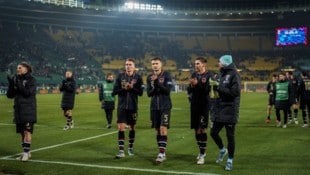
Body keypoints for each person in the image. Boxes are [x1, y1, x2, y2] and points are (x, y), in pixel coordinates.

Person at [210, 55, 241, 171]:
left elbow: (235, 92)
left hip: (230, 110)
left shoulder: (234, 74)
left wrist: (219, 87)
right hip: (220, 109)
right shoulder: (221, 74)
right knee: (213, 133)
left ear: (225, 63)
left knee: (230, 137)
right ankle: (223, 150)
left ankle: (230, 160)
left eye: (220, 62)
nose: (218, 63)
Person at [112, 58, 144, 158]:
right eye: (126, 64)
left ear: (134, 67)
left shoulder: (138, 78)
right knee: (120, 128)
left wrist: (132, 88)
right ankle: (121, 151)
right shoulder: (120, 77)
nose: (128, 66)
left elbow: (141, 93)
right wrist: (124, 89)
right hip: (121, 107)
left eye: (130, 64)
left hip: (133, 107)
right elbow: (114, 92)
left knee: (132, 128)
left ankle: (130, 147)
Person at [6, 62, 37, 161]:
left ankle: (26, 153)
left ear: (26, 69)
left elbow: (27, 93)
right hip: (18, 110)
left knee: (27, 131)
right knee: (22, 133)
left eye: (20, 67)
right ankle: (26, 152)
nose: (17, 69)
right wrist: (11, 83)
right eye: (17, 68)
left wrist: (18, 82)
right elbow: (10, 95)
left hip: (28, 109)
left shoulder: (31, 80)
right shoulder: (16, 79)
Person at [146, 57, 173, 163]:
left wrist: (157, 84)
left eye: (156, 63)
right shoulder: (149, 77)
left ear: (161, 64)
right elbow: (149, 93)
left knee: (163, 128)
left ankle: (161, 154)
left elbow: (167, 91)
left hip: (165, 106)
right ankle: (162, 151)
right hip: (154, 107)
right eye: (153, 64)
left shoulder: (167, 75)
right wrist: (156, 87)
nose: (155, 65)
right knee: (157, 130)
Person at [187, 57, 211, 165]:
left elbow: (207, 90)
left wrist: (197, 84)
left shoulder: (209, 75)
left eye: (198, 63)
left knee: (202, 129)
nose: (196, 65)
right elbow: (189, 90)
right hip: (194, 105)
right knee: (196, 129)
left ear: (204, 64)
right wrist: (192, 85)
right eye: (195, 64)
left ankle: (202, 154)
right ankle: (201, 150)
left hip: (204, 105)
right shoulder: (194, 75)